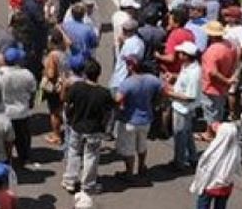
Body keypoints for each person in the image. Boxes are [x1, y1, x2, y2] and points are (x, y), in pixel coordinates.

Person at [61, 58, 112, 195]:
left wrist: (70, 119)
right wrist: (105, 127)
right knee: (91, 157)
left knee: (73, 153)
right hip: (94, 129)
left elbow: (67, 104)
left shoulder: (76, 88)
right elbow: (108, 113)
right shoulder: (104, 93)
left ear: (85, 73)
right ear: (98, 74)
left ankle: (70, 181)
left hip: (76, 126)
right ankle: (88, 185)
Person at [114, 57, 163, 179]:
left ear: (131, 67)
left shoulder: (127, 83)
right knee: (142, 145)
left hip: (130, 120)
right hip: (146, 120)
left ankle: (129, 173)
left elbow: (117, 100)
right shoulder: (152, 79)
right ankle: (142, 167)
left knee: (129, 148)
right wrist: (157, 103)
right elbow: (163, 90)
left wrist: (118, 108)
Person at [165, 41, 201, 170]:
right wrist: (173, 77)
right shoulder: (187, 66)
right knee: (188, 133)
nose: (178, 54)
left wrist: (170, 93)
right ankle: (193, 157)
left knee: (180, 135)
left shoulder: (194, 73)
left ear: (186, 56)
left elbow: (190, 97)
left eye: (181, 53)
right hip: (181, 107)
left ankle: (179, 162)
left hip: (183, 108)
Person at [199, 21, 237, 140]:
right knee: (217, 111)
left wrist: (226, 80)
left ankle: (215, 134)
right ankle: (209, 132)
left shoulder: (212, 51)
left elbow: (212, 72)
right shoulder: (230, 45)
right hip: (222, 87)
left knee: (210, 112)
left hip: (211, 86)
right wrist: (229, 78)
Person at [190, 122, 241, 209]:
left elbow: (204, 165)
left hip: (208, 185)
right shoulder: (235, 151)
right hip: (225, 186)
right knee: (221, 205)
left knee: (203, 204)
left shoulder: (214, 150)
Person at [0, 47, 37, 166]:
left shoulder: (0, 74)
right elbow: (33, 91)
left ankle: (5, 159)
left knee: (4, 139)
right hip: (22, 112)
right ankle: (24, 158)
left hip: (4, 112)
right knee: (23, 138)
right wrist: (31, 103)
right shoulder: (27, 74)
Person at [42, 28, 69, 145]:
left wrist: (45, 71)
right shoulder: (65, 52)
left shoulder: (53, 55)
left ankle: (56, 135)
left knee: (54, 112)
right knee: (62, 108)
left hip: (55, 87)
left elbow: (51, 74)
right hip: (65, 83)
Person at [109, 13, 144, 93]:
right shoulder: (134, 42)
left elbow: (132, 62)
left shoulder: (133, 44)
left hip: (123, 81)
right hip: (119, 79)